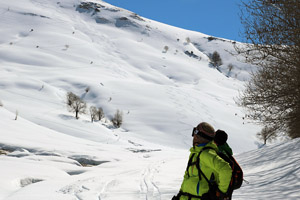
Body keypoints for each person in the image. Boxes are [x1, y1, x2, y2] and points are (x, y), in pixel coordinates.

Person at [173, 122, 232, 200]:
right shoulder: (194, 154)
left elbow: (225, 169)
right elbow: (187, 177)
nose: (193, 137)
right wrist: (180, 195)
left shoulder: (206, 154)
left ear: (197, 136)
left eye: (195, 133)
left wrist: (220, 193)